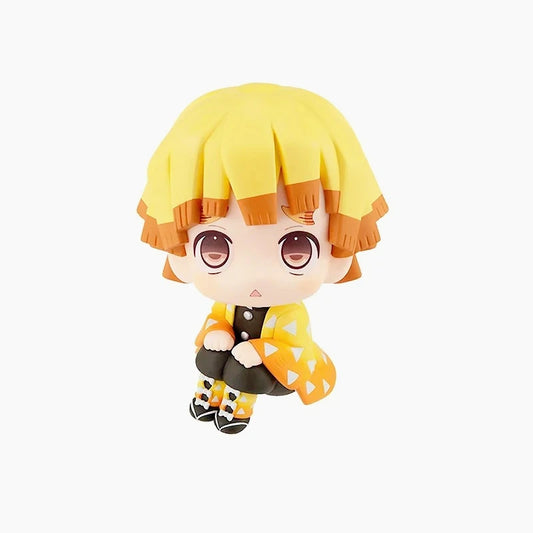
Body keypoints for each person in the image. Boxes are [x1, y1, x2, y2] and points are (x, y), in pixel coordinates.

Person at [137, 83, 388, 433]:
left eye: (297, 248)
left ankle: (237, 407)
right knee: (210, 355)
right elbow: (216, 322)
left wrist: (260, 351)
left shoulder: (289, 316)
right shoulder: (226, 306)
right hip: (235, 357)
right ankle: (209, 396)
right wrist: (217, 333)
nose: (253, 276)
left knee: (246, 370)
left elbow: (294, 347)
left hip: (280, 371)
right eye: (214, 247)